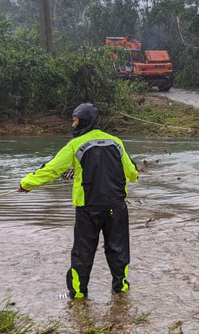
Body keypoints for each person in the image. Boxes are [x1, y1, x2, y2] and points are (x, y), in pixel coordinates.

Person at [18, 103, 138, 299]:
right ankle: (120, 289)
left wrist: (26, 184)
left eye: (75, 120)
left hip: (88, 208)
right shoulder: (116, 142)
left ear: (84, 121)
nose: (73, 125)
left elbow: (51, 169)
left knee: (83, 251)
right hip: (116, 207)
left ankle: (79, 293)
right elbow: (131, 172)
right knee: (118, 248)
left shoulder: (75, 146)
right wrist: (135, 176)